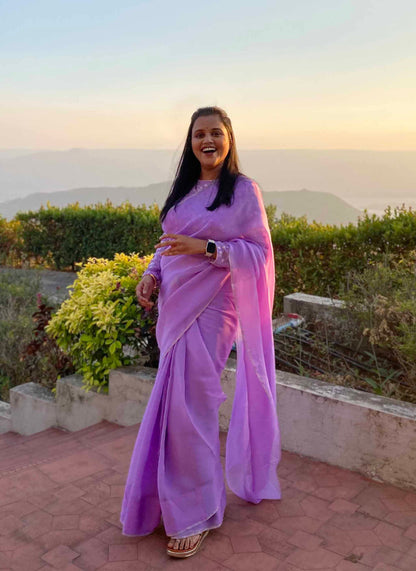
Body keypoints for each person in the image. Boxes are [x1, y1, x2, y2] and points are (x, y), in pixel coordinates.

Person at [120, 106, 281, 558]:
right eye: (198, 135)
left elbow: (258, 254)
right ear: (190, 143)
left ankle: (199, 511)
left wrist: (207, 248)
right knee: (173, 407)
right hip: (173, 306)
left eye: (215, 133)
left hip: (213, 309)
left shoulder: (245, 192)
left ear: (229, 138)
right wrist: (151, 274)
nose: (206, 141)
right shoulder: (185, 190)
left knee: (192, 409)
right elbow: (166, 243)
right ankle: (165, 500)